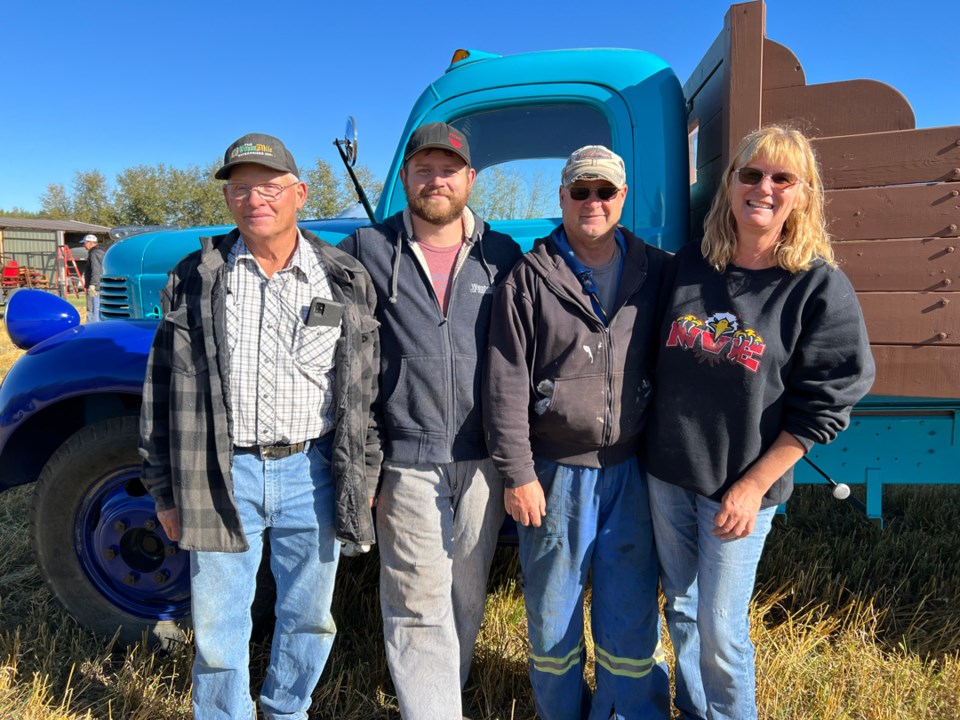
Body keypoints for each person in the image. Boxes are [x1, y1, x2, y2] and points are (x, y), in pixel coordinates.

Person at [138, 132, 381, 720]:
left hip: (313, 470)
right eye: (240, 188)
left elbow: (364, 389)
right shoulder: (197, 276)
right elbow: (162, 387)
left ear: (298, 193)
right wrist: (164, 490)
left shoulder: (343, 278)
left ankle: (286, 711)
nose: (254, 199)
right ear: (228, 199)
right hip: (222, 471)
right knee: (220, 623)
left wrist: (364, 473)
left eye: (268, 186)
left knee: (309, 616)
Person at [645, 126, 876, 720]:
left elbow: (828, 401)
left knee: (722, 630)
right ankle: (695, 712)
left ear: (803, 193)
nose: (763, 188)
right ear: (729, 185)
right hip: (669, 472)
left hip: (742, 486)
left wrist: (752, 487)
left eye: (782, 178)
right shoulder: (691, 266)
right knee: (684, 612)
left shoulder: (817, 287)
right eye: (751, 174)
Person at [339, 122, 521, 720]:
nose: (435, 180)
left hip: (484, 458)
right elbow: (341, 355)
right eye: (423, 169)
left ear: (469, 179)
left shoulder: (503, 256)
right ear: (406, 178)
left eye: (448, 170)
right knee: (417, 598)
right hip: (407, 455)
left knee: (466, 593)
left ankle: (443, 693)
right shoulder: (366, 251)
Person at [484, 145, 670, 720]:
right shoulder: (528, 279)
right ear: (562, 197)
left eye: (605, 191)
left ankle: (630, 711)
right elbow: (504, 384)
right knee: (552, 612)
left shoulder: (656, 271)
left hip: (631, 471)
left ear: (623, 198)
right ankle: (562, 711)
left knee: (631, 609)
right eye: (581, 191)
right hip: (555, 474)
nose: (593, 201)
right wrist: (517, 474)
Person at [80, 234, 105, 322]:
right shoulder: (101, 252)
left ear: (90, 243)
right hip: (100, 285)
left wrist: (93, 284)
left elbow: (96, 269)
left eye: (84, 243)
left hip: (96, 287)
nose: (83, 245)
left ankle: (92, 328)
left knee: (93, 308)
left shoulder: (94, 253)